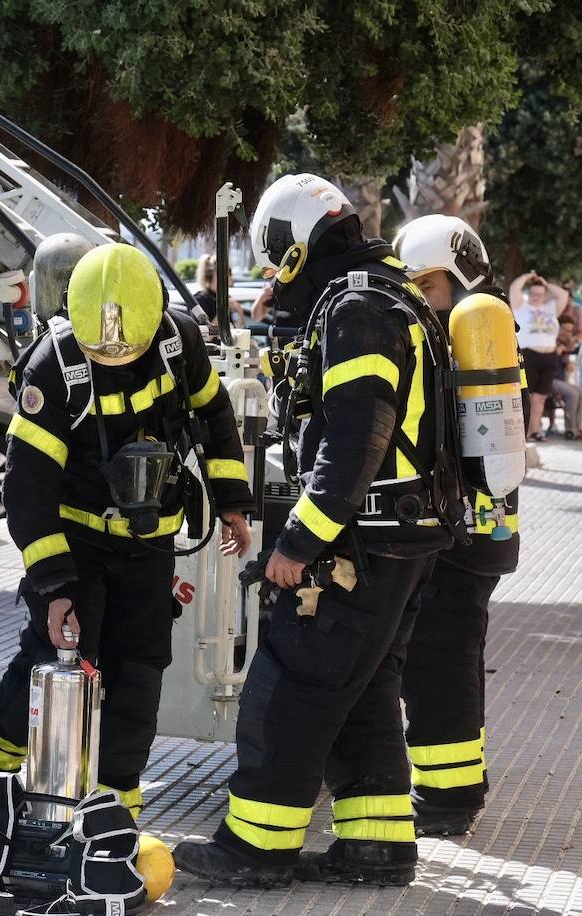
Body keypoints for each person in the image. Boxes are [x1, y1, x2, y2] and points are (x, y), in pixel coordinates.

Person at [176, 175, 459, 887]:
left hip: (357, 541)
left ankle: (256, 849)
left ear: (293, 244)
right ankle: (377, 844)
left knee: (290, 683)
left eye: (275, 257)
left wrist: (299, 543)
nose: (274, 275)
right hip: (400, 538)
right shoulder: (385, 294)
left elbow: (358, 438)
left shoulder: (358, 308)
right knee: (362, 690)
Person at [0, 244, 254, 816]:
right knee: (56, 664)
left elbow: (215, 415)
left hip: (149, 545)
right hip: (78, 544)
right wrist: (56, 587)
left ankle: (116, 817)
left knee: (139, 674)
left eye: (125, 348)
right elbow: (28, 488)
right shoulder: (53, 367)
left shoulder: (177, 341)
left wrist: (233, 500)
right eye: (100, 351)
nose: (112, 356)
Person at [391, 213, 526, 836]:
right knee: (456, 653)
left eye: (420, 284)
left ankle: (447, 799)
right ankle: (457, 787)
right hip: (491, 528)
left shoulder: (456, 339)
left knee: (437, 659)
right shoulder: (492, 331)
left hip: (457, 532)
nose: (413, 296)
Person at [510, 271, 571, 442]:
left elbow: (563, 294)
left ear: (545, 295)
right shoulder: (521, 307)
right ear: (529, 294)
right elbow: (514, 288)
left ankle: (535, 431)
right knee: (527, 397)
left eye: (540, 294)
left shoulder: (550, 308)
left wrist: (545, 283)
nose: (537, 297)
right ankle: (523, 433)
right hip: (529, 355)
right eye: (534, 294)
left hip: (549, 357)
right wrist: (527, 277)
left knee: (540, 398)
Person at [553, 314, 582, 440]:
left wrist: (566, 361)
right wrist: (555, 352)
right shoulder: (549, 341)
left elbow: (567, 366)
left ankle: (578, 427)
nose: (567, 333)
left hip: (559, 380)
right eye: (564, 329)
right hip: (549, 380)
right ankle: (570, 429)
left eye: (570, 331)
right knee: (573, 394)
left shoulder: (564, 344)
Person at [193, 252, 242, 333]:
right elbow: (205, 336)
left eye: (229, 272)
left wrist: (239, 311)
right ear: (211, 275)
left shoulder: (226, 298)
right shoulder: (200, 300)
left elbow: (238, 328)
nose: (229, 276)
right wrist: (222, 311)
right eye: (226, 272)